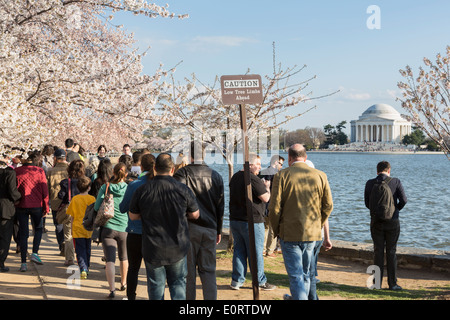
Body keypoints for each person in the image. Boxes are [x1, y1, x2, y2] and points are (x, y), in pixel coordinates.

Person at [129, 153, 199, 300]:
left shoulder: (142, 190)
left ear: (154, 168)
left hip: (152, 247)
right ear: (172, 169)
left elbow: (133, 216)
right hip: (178, 246)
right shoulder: (183, 189)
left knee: (155, 287)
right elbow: (195, 214)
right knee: (178, 285)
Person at [268, 144, 333, 300]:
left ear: (289, 158)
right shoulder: (320, 175)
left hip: (289, 232)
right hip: (312, 232)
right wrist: (319, 222)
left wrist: (276, 230)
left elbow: (274, 208)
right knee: (305, 274)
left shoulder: (281, 175)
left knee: (296, 275)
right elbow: (328, 205)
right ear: (305, 157)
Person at [173, 141, 224, 300]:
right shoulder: (216, 175)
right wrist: (218, 230)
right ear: (205, 155)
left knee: (188, 272)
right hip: (209, 227)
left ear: (190, 155)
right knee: (208, 270)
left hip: (189, 228)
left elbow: (176, 203)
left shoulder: (182, 174)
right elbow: (220, 206)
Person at [228, 153, 276, 291]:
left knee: (239, 250)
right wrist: (267, 186)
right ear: (250, 165)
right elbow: (266, 198)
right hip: (252, 220)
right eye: (258, 164)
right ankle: (260, 281)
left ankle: (237, 280)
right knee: (255, 252)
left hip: (236, 220)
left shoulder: (235, 177)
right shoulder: (253, 179)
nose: (260, 168)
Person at [364, 160, 407, 291]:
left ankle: (377, 284)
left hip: (376, 221)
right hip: (392, 222)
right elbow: (404, 200)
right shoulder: (396, 181)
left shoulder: (370, 183)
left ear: (377, 171)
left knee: (378, 251)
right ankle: (392, 284)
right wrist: (395, 210)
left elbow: (367, 203)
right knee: (391, 252)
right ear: (389, 171)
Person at [119, 153, 155, 300]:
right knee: (153, 270)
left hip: (134, 231)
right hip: (153, 233)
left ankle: (131, 296)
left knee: (133, 268)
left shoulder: (134, 185)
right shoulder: (156, 184)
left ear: (141, 166)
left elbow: (122, 208)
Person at [94, 162, 129, 298]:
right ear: (125, 174)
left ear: (113, 173)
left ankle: (112, 289)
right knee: (124, 257)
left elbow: (97, 207)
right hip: (124, 227)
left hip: (108, 228)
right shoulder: (128, 188)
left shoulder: (106, 186)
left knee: (110, 260)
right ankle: (124, 283)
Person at [15, 151, 50, 271]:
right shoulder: (39, 171)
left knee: (23, 233)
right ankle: (35, 252)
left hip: (21, 205)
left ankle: (23, 263)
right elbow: (45, 190)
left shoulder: (17, 171)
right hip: (36, 205)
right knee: (38, 228)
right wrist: (46, 206)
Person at [67, 176, 96, 279]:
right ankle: (87, 266)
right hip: (88, 228)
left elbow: (72, 216)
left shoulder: (75, 199)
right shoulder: (92, 199)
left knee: (80, 250)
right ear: (89, 187)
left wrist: (71, 228)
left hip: (77, 228)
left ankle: (83, 268)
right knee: (88, 248)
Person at [58, 159, 85, 266]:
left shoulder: (66, 182)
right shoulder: (85, 181)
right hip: (82, 210)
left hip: (70, 209)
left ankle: (69, 259)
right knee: (81, 235)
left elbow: (61, 195)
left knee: (68, 235)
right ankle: (82, 258)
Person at [259, 155, 285, 257]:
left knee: (264, 228)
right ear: (276, 162)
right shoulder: (278, 174)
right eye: (281, 164)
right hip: (273, 203)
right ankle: (270, 250)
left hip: (262, 203)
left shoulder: (262, 172)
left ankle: (263, 249)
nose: (282, 166)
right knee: (272, 228)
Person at [46, 149, 69, 255]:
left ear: (55, 158)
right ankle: (68, 244)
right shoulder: (70, 169)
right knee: (68, 224)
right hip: (69, 201)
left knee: (58, 224)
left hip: (56, 202)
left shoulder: (50, 171)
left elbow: (46, 188)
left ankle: (61, 244)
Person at [0, 163, 22, 272]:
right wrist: (20, 197)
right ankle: (1, 262)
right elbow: (13, 192)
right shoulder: (10, 173)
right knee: (4, 237)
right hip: (6, 209)